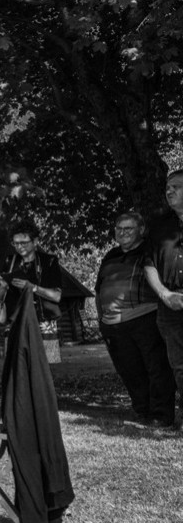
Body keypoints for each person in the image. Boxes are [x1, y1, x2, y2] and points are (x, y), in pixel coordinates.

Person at [96, 212, 175, 427]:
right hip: (112, 323)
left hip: (145, 317)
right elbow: (99, 289)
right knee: (129, 370)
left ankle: (161, 415)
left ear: (141, 230)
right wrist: (101, 318)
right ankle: (142, 411)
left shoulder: (150, 251)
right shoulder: (110, 255)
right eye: (119, 228)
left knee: (156, 368)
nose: (122, 232)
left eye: (128, 228)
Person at [143, 168, 183, 430]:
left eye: (176, 186)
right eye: (167, 187)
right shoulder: (159, 226)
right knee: (179, 365)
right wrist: (164, 294)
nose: (169, 191)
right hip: (170, 303)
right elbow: (149, 265)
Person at [0, 225, 63, 324]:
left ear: (35, 241)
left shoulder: (49, 262)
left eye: (23, 243)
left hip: (43, 323)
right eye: (16, 243)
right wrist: (3, 287)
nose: (19, 247)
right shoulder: (9, 262)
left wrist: (32, 287)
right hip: (15, 322)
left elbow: (57, 296)